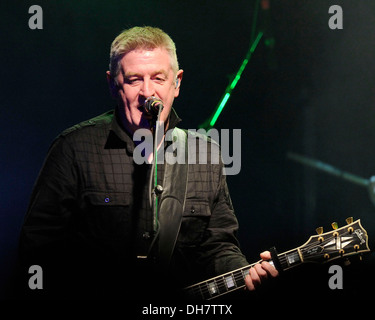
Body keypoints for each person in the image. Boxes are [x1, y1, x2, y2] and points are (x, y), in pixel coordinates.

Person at [18, 26, 278, 300]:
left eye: (158, 78)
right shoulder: (74, 149)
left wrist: (244, 272)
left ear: (176, 83)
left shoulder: (206, 155)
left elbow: (218, 246)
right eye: (133, 80)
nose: (148, 92)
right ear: (112, 83)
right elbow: (36, 251)